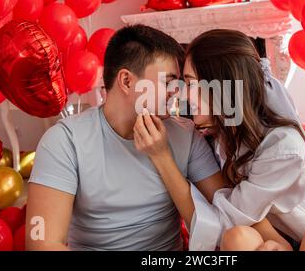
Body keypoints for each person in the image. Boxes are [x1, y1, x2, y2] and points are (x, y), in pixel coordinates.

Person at [133, 29, 305, 251]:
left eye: (190, 84)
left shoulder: (282, 147)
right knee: (238, 237)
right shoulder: (219, 135)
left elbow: (227, 217)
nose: (183, 95)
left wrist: (161, 156)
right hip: (264, 238)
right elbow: (233, 224)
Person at [26, 25, 226, 251]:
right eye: (168, 81)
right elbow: (41, 244)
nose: (176, 91)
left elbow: (223, 218)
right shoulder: (64, 140)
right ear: (127, 81)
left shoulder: (187, 134)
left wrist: (163, 157)